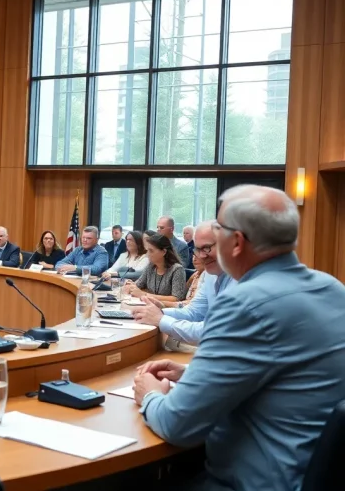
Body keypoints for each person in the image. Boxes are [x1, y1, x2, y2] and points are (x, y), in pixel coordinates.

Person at [133, 185, 345, 491]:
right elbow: (287, 375)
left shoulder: (244, 302)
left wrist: (150, 394)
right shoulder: (333, 288)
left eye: (219, 231)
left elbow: (177, 425)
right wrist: (193, 374)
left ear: (236, 242)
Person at [131, 222, 235, 346]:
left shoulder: (243, 281)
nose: (201, 256)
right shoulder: (210, 275)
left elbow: (215, 332)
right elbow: (193, 313)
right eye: (198, 249)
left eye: (207, 248)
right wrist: (158, 312)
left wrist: (161, 319)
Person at [124, 234, 186, 302]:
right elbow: (138, 286)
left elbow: (177, 298)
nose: (147, 254)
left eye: (151, 251)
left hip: (166, 310)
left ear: (164, 252)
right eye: (147, 250)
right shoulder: (151, 267)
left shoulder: (177, 269)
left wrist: (144, 294)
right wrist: (131, 285)